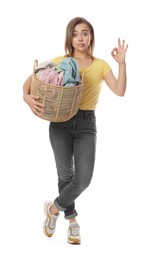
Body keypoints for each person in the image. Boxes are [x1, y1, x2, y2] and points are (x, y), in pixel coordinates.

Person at [23, 16, 128, 245]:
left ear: (91, 36)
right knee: (65, 176)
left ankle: (52, 209)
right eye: (76, 33)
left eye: (85, 33)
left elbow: (119, 91)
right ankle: (72, 223)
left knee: (82, 179)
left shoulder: (101, 65)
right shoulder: (62, 60)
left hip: (86, 124)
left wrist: (121, 63)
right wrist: (26, 97)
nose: (80, 38)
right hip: (60, 122)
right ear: (70, 37)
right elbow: (31, 80)